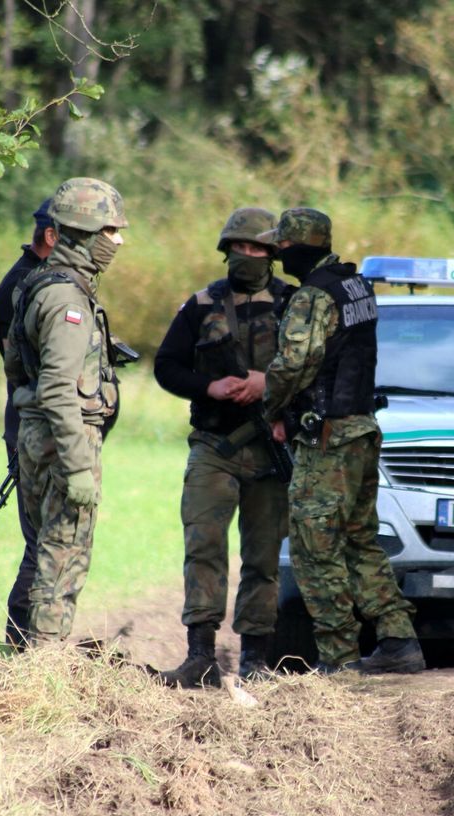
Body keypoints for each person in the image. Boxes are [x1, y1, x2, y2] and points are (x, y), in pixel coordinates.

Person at [260, 207, 425, 675]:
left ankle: (338, 659)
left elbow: (295, 363)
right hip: (362, 430)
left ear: (295, 247)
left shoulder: (313, 295)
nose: (277, 255)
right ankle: (398, 641)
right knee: (360, 541)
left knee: (315, 548)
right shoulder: (356, 286)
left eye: (282, 247)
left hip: (328, 440)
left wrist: (271, 409)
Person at [153, 207, 296, 686]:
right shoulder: (200, 305)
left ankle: (257, 658)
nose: (248, 256)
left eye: (257, 248)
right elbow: (167, 366)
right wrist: (208, 388)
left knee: (263, 556)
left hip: (272, 450)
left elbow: (317, 374)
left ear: (273, 254)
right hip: (215, 446)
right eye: (239, 247)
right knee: (203, 544)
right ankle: (200, 655)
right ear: (226, 250)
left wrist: (268, 386)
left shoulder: (294, 304)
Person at [2, 177, 128, 645]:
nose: (118, 242)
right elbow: (57, 388)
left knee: (43, 551)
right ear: (85, 233)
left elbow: (17, 366)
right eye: (111, 232)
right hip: (64, 438)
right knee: (63, 556)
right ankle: (43, 669)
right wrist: (78, 467)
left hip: (37, 434)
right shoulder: (68, 301)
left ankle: (28, 657)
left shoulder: (36, 284)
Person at [0, 198, 57, 651]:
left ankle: (31, 648)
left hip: (37, 425)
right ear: (51, 236)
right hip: (34, 428)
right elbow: (31, 369)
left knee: (47, 539)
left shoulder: (35, 281)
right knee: (43, 541)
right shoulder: (26, 286)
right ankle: (23, 648)